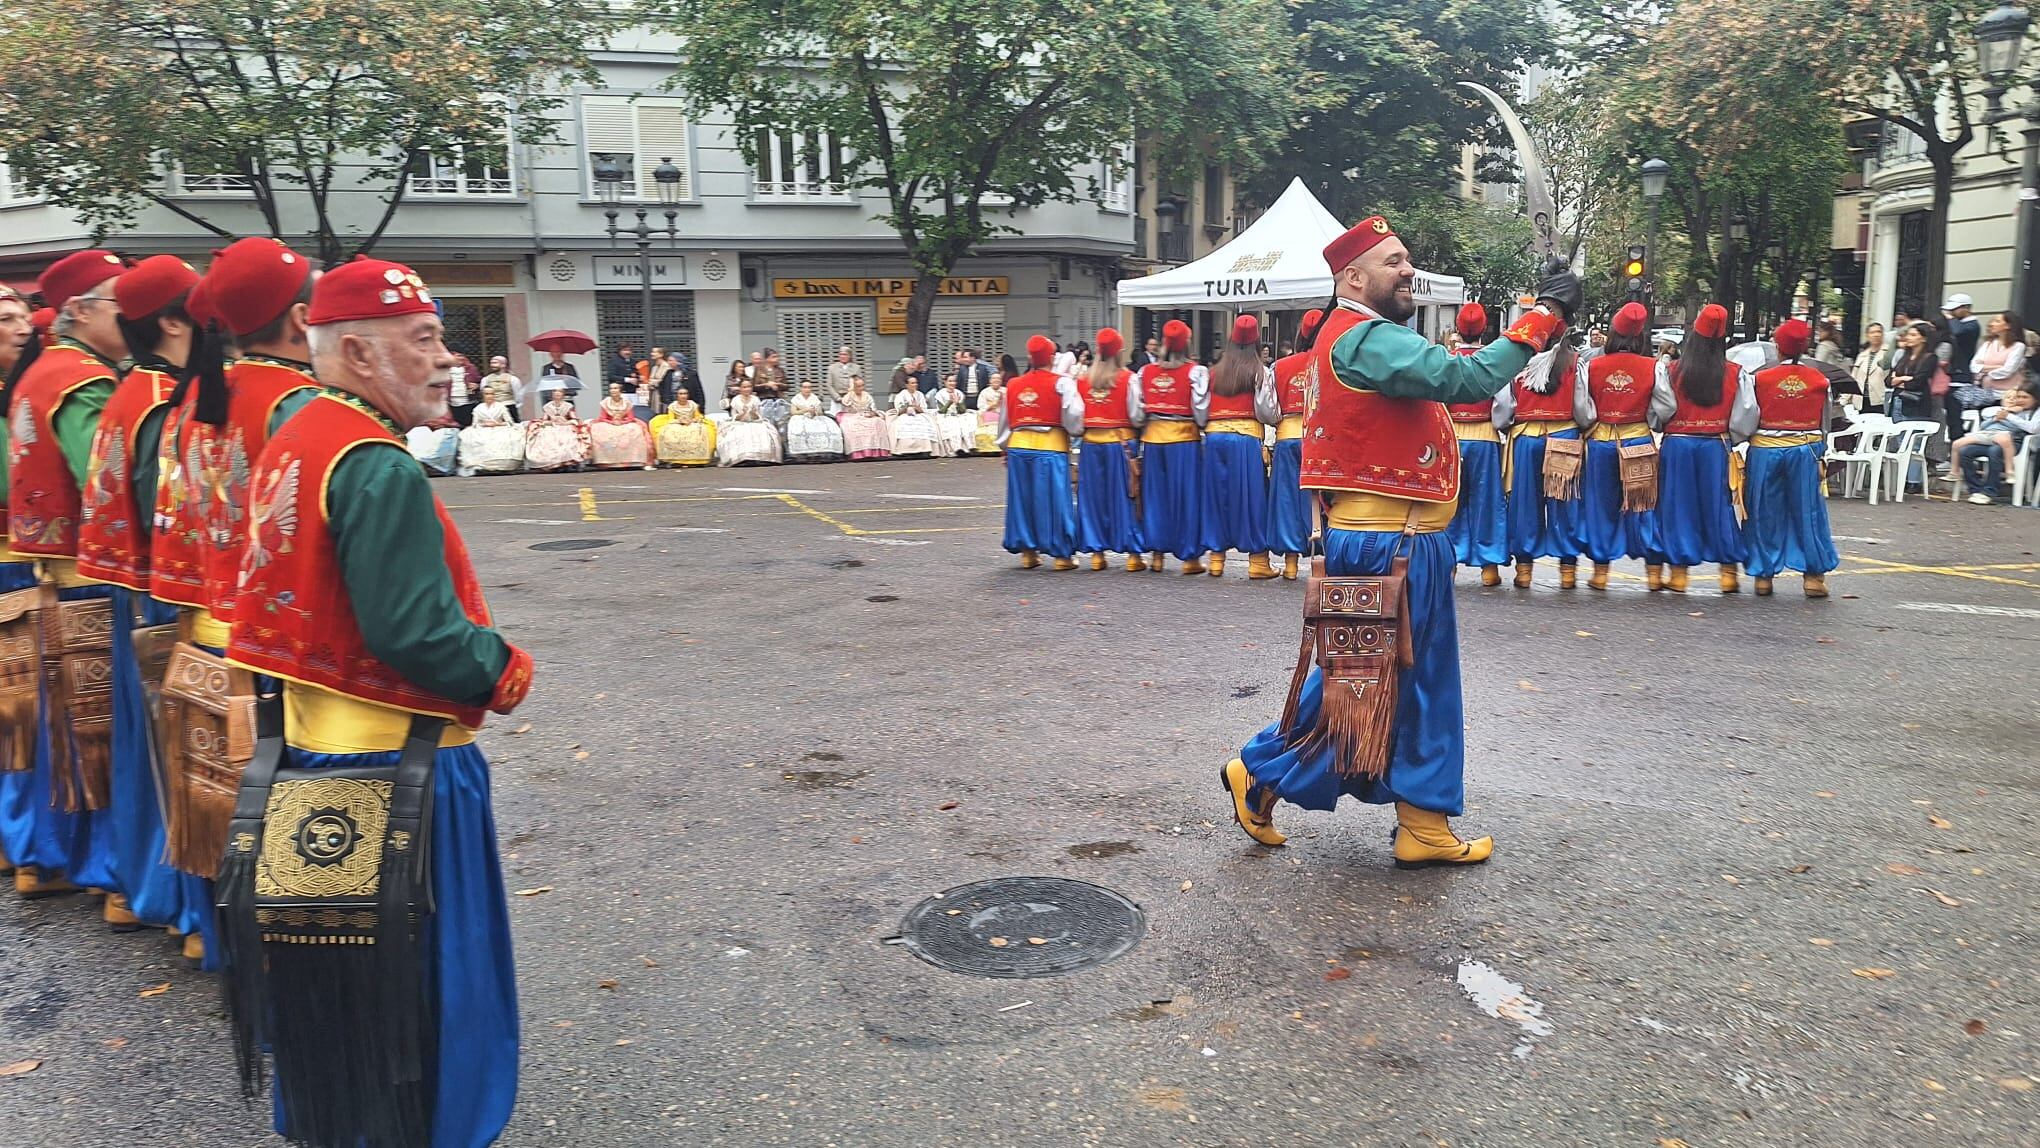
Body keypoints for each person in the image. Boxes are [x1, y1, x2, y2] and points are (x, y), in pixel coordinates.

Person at [219, 257, 533, 1148]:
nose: (449, 362)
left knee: (341, 998)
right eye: (426, 340)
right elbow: (418, 637)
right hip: (405, 776)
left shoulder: (300, 432)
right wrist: (504, 668)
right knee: (430, 993)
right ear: (357, 350)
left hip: (305, 764)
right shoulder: (374, 462)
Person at [1219, 213, 1577, 864]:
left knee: (1363, 683)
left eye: (1406, 259)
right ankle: (1410, 822)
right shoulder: (1363, 336)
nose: (1407, 269)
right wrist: (1542, 315)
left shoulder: (1352, 334)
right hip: (1395, 544)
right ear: (1352, 278)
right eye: (1393, 262)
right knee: (1398, 687)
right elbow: (1467, 382)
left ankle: (1293, 783)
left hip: (1388, 538)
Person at [76, 255, 201, 944]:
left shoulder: (131, 388)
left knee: (145, 742)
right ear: (176, 320)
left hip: (134, 585)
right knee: (184, 748)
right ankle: (181, 903)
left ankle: (139, 886)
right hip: (167, 593)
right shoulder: (166, 398)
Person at [6, 250, 131, 910]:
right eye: (120, 303)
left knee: (55, 730)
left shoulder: (37, 374)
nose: (132, 315)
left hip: (41, 572)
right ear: (81, 311)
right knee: (102, 733)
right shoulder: (83, 382)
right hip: (89, 577)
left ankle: (51, 858)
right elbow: (104, 483)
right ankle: (115, 879)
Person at [1646, 304, 1753, 593]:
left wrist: (1660, 426)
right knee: (1720, 507)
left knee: (1676, 508)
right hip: (1716, 445)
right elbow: (1745, 416)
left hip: (1678, 445)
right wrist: (1731, 435)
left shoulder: (1670, 371)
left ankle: (1679, 574)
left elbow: (1661, 411)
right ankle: (1728, 573)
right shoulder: (1736, 373)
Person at [1744, 320, 1840, 598]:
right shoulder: (1821, 381)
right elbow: (1825, 423)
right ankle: (1813, 576)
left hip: (1766, 449)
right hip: (1805, 449)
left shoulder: (1758, 378)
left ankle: (1764, 575)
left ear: (1777, 347)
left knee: (1763, 509)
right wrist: (1823, 453)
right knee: (1808, 511)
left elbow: (1748, 416)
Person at [1574, 302, 1665, 591]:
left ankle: (1601, 572)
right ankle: (1653, 572)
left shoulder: (1591, 366)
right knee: (1643, 505)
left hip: (1601, 443)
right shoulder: (1654, 367)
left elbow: (1582, 408)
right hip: (1638, 440)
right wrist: (1647, 419)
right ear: (1639, 337)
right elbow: (1665, 406)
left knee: (1600, 507)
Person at [1494, 333, 1586, 590]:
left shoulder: (1518, 364)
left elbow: (1504, 408)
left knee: (1524, 505)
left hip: (1527, 438)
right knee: (1565, 504)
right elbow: (1582, 408)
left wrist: (1506, 426)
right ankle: (1568, 573)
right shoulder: (1575, 364)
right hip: (1564, 436)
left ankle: (1524, 571)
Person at [999, 334, 1084, 569]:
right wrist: (1075, 431)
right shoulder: (1062, 382)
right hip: (1050, 446)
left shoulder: (1013, 385)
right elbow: (1074, 415)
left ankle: (1028, 552)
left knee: (1023, 500)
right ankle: (1061, 555)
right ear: (1052, 357)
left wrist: (1004, 447)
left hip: (1018, 447)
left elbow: (1005, 422)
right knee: (1055, 501)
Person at [1130, 319, 1208, 573]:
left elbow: (1138, 411)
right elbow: (1200, 410)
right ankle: (1189, 558)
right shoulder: (1195, 372)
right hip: (1184, 439)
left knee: (1155, 497)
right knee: (1186, 497)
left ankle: (1157, 555)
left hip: (1153, 439)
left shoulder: (1146, 372)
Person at [1198, 315, 1273, 578]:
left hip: (1215, 437)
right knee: (1251, 499)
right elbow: (1267, 410)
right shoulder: (1260, 372)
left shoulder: (1213, 372)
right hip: (1245, 438)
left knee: (1216, 497)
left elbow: (1201, 408)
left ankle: (1216, 560)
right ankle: (1258, 562)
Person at [1440, 303, 1508, 587]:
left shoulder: (1445, 359)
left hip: (1451, 437)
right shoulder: (1491, 361)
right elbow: (1504, 405)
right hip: (1485, 437)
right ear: (1484, 330)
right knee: (1488, 502)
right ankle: (1489, 567)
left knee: (1449, 503)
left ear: (1458, 329)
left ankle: (1449, 563)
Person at [1075, 328, 1144, 571]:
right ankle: (1133, 555)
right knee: (1125, 496)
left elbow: (1075, 417)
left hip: (1091, 444)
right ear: (1119, 352)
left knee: (1092, 498)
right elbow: (1136, 415)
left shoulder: (1083, 380)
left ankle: (1097, 553)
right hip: (1120, 444)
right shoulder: (1128, 378)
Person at [1262, 310, 1321, 581]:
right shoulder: (1330, 363)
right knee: (1320, 498)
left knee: (1286, 498)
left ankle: (1290, 564)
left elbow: (1268, 408)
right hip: (1319, 438)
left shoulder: (1280, 367)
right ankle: (1323, 558)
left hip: (1287, 436)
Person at [1951, 380, 2038, 502]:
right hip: (1992, 439)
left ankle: (1990, 491)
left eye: (2025, 397)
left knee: (1995, 451)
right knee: (1965, 451)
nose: (2020, 400)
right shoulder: (2007, 408)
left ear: (2035, 399)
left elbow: (2033, 428)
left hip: (2016, 442)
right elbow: (1987, 419)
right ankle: (1975, 489)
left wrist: (2008, 416)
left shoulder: (2035, 412)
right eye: (2018, 396)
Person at [457, 382, 527, 474]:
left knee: (504, 439)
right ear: (483, 395)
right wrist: (484, 424)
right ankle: (481, 465)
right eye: (487, 394)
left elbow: (510, 422)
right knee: (473, 438)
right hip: (483, 428)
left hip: (499, 428)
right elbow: (475, 424)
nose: (489, 396)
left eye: (492, 394)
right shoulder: (478, 408)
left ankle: (502, 465)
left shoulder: (501, 406)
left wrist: (497, 423)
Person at [1942, 294, 1981, 446]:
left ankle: (1956, 450)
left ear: (1966, 308)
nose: (1951, 313)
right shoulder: (1959, 324)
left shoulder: (1971, 326)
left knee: (1955, 416)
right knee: (1950, 417)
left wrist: (1950, 318)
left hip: (1961, 377)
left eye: (1955, 310)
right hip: (1951, 375)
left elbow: (1957, 332)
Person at [717, 378, 783, 466]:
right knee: (741, 432)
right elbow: (734, 417)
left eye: (748, 387)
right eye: (744, 387)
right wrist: (743, 413)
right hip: (739, 423)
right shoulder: (736, 400)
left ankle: (760, 458)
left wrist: (752, 413)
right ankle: (742, 458)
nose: (747, 389)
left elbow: (759, 417)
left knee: (762, 431)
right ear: (740, 389)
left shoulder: (755, 399)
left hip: (754, 422)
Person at [589, 381, 653, 469]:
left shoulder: (626, 403)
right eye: (611, 388)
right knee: (598, 430)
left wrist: (622, 422)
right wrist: (612, 422)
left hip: (624, 422)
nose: (613, 390)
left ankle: (633, 460)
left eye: (615, 388)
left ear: (620, 391)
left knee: (635, 430)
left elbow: (631, 417)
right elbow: (602, 417)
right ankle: (606, 462)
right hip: (609, 423)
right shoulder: (605, 402)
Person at [524, 388, 591, 471]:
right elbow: (544, 420)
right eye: (555, 391)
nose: (557, 393)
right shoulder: (547, 406)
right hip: (552, 426)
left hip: (565, 426)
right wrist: (551, 421)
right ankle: (552, 463)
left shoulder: (568, 406)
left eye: (559, 391)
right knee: (545, 436)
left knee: (567, 437)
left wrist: (565, 422)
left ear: (563, 394)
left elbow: (574, 419)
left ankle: (566, 463)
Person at [1969, 311, 2028, 403]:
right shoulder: (1988, 344)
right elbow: (1974, 366)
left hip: (2007, 395)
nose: (1992, 324)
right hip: (1985, 393)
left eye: (1997, 321)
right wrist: (1998, 367)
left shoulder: (2018, 346)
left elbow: (2007, 370)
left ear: (2008, 326)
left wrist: (1985, 371)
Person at [785, 379, 846, 462]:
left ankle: (823, 453)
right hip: (800, 418)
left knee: (828, 429)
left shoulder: (814, 398)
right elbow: (793, 412)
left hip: (814, 417)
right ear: (801, 388)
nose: (807, 389)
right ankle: (802, 455)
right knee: (798, 431)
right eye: (805, 387)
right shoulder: (796, 398)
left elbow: (820, 412)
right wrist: (805, 410)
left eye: (809, 387)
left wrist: (815, 411)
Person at [650, 390, 716, 467]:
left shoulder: (693, 405)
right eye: (681, 394)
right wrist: (680, 421)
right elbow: (671, 419)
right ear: (677, 395)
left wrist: (691, 420)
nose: (683, 396)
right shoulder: (672, 406)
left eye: (685, 393)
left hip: (692, 423)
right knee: (669, 433)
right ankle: (675, 460)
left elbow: (698, 416)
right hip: (677, 423)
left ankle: (696, 459)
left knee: (701, 431)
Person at [835, 376, 891, 461]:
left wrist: (872, 413)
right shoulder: (850, 395)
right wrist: (850, 392)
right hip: (852, 415)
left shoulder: (867, 395)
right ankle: (858, 452)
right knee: (853, 424)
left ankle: (875, 451)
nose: (861, 388)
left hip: (866, 415)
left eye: (862, 386)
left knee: (878, 422)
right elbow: (845, 404)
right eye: (858, 386)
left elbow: (873, 408)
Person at [887, 375, 939, 457]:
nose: (915, 385)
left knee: (925, 422)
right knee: (904, 423)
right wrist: (908, 406)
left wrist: (916, 407)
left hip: (918, 414)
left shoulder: (920, 394)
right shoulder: (901, 395)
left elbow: (924, 409)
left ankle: (923, 449)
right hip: (904, 415)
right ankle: (905, 449)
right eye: (912, 383)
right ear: (907, 385)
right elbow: (899, 410)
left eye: (916, 383)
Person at [927, 375, 976, 456]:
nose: (952, 383)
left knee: (966, 425)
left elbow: (963, 410)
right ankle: (957, 449)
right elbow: (942, 411)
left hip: (959, 415)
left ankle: (969, 448)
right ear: (945, 382)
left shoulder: (959, 393)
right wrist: (950, 402)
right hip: (946, 415)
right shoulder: (940, 394)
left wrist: (957, 403)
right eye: (950, 381)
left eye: (954, 381)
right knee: (954, 427)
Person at [1851, 324, 1891, 411]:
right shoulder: (1862, 355)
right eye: (1872, 332)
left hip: (1880, 400)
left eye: (1879, 332)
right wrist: (1845, 399)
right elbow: (1853, 377)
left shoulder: (1889, 353)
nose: (1876, 335)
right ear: (1867, 336)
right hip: (1861, 400)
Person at [480, 355, 523, 422]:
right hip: (492, 409)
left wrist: (516, 408)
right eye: (491, 363)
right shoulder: (486, 379)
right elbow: (484, 394)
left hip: (508, 406)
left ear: (503, 365)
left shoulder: (513, 379)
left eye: (495, 363)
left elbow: (518, 396)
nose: (492, 365)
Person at [975, 373, 1005, 455]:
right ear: (990, 381)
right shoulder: (984, 392)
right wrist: (992, 405)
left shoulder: (1006, 391)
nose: (996, 380)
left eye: (998, 378)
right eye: (994, 378)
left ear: (1001, 381)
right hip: (989, 414)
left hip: (1003, 415)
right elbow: (981, 406)